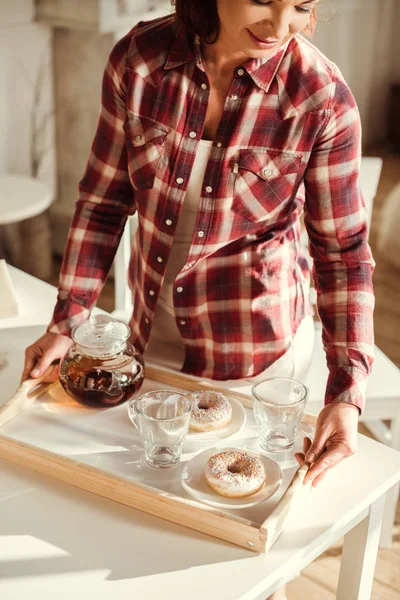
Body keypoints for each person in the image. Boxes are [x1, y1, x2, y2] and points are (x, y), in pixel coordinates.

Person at [22, 2, 374, 596]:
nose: (281, 25)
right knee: (135, 532)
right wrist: (69, 321)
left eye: (303, 6)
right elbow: (104, 203)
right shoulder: (139, 63)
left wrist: (347, 392)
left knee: (231, 560)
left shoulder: (321, 100)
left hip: (254, 360)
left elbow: (342, 255)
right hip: (143, 351)